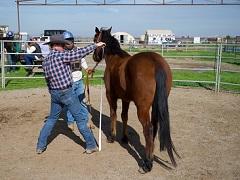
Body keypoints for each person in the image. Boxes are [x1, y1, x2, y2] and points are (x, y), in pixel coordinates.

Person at [36, 33, 105, 155]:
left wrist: (52, 92)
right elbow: (79, 53)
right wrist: (96, 45)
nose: (64, 46)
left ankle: (40, 146)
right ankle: (91, 145)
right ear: (59, 45)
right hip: (66, 92)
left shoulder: (46, 61)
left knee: (51, 119)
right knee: (80, 119)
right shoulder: (61, 55)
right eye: (63, 44)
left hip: (54, 93)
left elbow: (47, 80)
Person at [62, 31, 92, 131]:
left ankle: (86, 120)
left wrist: (87, 69)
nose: (69, 43)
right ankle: (70, 122)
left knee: (82, 101)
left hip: (79, 80)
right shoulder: (62, 53)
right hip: (69, 82)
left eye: (70, 41)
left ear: (73, 41)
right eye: (66, 42)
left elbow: (82, 60)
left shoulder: (78, 50)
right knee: (70, 103)